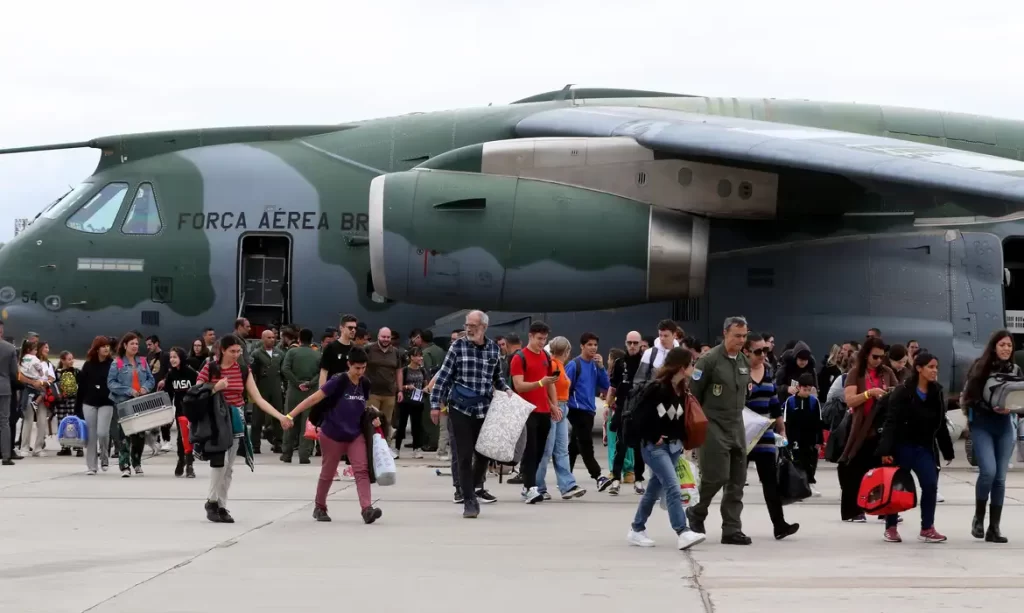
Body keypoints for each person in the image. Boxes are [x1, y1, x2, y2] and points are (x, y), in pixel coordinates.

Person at [195, 335, 292, 523]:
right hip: (216, 420)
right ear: (222, 350)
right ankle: (211, 501)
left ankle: (221, 505)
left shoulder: (242, 369)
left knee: (229, 467)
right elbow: (196, 391)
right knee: (219, 462)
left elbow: (258, 398)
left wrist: (280, 416)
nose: (236, 355)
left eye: (239, 351)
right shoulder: (210, 367)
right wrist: (215, 387)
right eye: (232, 351)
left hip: (235, 420)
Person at [286, 347, 386, 523]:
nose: (360, 372)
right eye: (357, 368)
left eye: (363, 368)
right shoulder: (338, 382)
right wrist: (289, 415)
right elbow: (313, 399)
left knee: (362, 470)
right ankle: (320, 507)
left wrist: (375, 417)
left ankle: (366, 509)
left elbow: (363, 406)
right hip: (332, 434)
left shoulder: (365, 383)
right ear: (349, 364)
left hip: (355, 434)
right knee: (328, 472)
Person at [429, 310, 512, 518]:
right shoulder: (457, 346)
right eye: (467, 325)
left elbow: (497, 378)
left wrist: (507, 389)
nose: (469, 329)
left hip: (484, 409)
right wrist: (435, 405)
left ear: (484, 327)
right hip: (460, 408)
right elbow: (444, 377)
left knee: (484, 454)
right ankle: (469, 501)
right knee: (464, 456)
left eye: (473, 326)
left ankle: (473, 485)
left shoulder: (493, 349)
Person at [626, 347, 706, 550]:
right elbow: (639, 417)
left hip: (673, 447)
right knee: (672, 485)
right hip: (654, 448)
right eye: (691, 364)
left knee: (653, 490)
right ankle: (682, 531)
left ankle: (637, 528)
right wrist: (654, 436)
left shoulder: (681, 389)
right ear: (681, 366)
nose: (693, 367)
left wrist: (683, 443)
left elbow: (678, 420)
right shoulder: (657, 388)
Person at [685, 316, 752, 545]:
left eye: (744, 336)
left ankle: (732, 529)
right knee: (716, 476)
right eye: (737, 336)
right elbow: (693, 395)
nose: (741, 340)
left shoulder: (743, 361)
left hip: (736, 425)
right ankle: (697, 511)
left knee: (737, 479)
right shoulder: (709, 360)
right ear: (725, 333)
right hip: (713, 424)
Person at [877, 352, 954, 543]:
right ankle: (891, 527)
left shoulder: (936, 391)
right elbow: (891, 422)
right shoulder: (902, 392)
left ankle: (927, 528)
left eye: (936, 367)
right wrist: (885, 450)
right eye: (931, 367)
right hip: (901, 447)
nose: (935, 371)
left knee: (930, 485)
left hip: (924, 447)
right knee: (897, 487)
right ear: (919, 368)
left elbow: (940, 423)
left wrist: (947, 449)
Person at [961, 329, 1019, 543]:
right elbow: (968, 398)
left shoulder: (1015, 369)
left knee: (1001, 478)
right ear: (994, 346)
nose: (1006, 348)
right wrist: (991, 407)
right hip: (983, 425)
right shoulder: (980, 367)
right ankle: (979, 517)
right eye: (1002, 344)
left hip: (1004, 426)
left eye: (1009, 345)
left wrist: (1013, 408)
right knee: (988, 472)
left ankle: (994, 528)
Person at [837, 336, 898, 522]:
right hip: (861, 428)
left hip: (882, 428)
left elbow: (898, 391)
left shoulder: (886, 372)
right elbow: (850, 399)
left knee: (884, 470)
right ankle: (853, 511)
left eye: (882, 357)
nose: (879, 360)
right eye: (875, 357)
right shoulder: (856, 373)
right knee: (854, 469)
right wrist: (869, 393)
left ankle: (884, 509)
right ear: (866, 355)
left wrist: (890, 393)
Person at [509, 321, 559, 504]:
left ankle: (528, 485)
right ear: (530, 336)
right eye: (539, 338)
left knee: (540, 451)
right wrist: (540, 383)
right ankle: (530, 487)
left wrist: (554, 405)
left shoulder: (545, 356)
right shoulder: (519, 358)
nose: (541, 342)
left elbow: (550, 382)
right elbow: (519, 386)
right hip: (526, 410)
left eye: (544, 339)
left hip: (544, 410)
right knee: (530, 450)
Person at [535, 336, 587, 500]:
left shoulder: (558, 365)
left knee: (561, 448)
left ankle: (567, 485)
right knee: (548, 449)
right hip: (556, 407)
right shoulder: (554, 366)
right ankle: (538, 486)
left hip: (560, 407)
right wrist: (553, 405)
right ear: (567, 351)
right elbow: (546, 387)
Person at [565, 332, 611, 491]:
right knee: (586, 444)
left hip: (589, 411)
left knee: (574, 446)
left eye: (595, 345)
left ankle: (565, 477)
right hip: (576, 410)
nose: (593, 348)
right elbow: (565, 386)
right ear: (582, 346)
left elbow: (606, 385)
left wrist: (602, 367)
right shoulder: (574, 365)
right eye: (589, 344)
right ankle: (598, 475)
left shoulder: (594, 365)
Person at [107, 333, 156, 476]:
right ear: (125, 345)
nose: (135, 346)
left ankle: (137, 463)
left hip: (140, 402)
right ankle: (125, 465)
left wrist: (145, 388)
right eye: (132, 344)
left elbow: (150, 379)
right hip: (124, 403)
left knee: (140, 435)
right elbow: (111, 383)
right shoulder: (118, 363)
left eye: (136, 344)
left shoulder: (142, 361)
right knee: (124, 434)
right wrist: (129, 390)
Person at [280, 328, 320, 464]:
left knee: (290, 420)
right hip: (310, 392)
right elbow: (321, 373)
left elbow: (285, 369)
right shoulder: (317, 355)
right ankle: (304, 455)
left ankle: (287, 454)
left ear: (299, 339)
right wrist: (310, 383)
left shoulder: (292, 352)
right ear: (311, 340)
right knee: (308, 423)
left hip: (293, 391)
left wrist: (296, 383)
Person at [78, 337, 113, 474]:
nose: (106, 348)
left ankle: (104, 457)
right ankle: (92, 466)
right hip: (89, 403)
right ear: (97, 349)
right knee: (91, 436)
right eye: (103, 346)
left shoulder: (112, 364)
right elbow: (81, 387)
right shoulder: (88, 365)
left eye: (107, 346)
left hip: (107, 402)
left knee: (102, 433)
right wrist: (78, 408)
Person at [785, 373, 824, 498]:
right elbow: (786, 421)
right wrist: (787, 439)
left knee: (810, 462)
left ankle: (810, 483)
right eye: (804, 389)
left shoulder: (814, 401)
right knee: (796, 462)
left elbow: (819, 421)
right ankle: (797, 487)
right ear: (798, 387)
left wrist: (819, 440)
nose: (806, 392)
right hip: (795, 438)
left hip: (810, 438)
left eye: (809, 390)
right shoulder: (790, 401)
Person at [165, 347, 198, 478]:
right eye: (171, 357)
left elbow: (199, 390)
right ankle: (182, 460)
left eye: (175, 357)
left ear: (181, 358)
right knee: (181, 438)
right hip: (180, 411)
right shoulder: (171, 375)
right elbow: (168, 393)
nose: (172, 360)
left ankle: (190, 464)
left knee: (190, 438)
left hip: (192, 410)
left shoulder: (191, 373)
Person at [396, 346, 429, 459]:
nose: (420, 358)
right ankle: (397, 448)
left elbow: (426, 384)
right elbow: (399, 385)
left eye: (421, 355)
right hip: (406, 401)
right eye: (417, 355)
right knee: (402, 425)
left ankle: (417, 448)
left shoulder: (422, 370)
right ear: (411, 357)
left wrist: (426, 389)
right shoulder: (405, 370)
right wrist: (406, 387)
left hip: (418, 401)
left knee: (417, 426)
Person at [0, 322, 17, 466]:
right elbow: (13, 372)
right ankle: (6, 456)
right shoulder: (9, 348)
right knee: (4, 422)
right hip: (4, 388)